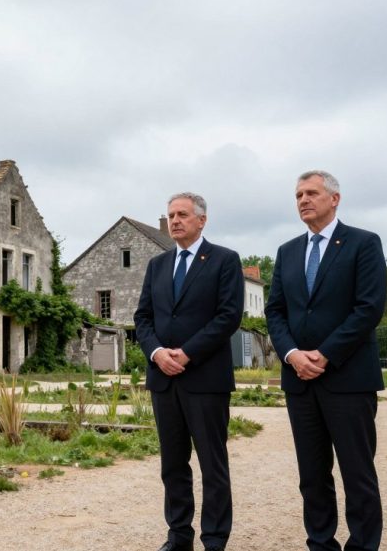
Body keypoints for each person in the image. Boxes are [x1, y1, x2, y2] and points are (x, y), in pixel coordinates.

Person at [264, 170, 387, 551]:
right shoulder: (287, 252)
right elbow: (275, 312)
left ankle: (363, 545)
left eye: (312, 193)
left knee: (357, 473)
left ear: (334, 198)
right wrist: (291, 354)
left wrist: (326, 353)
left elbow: (368, 308)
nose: (303, 200)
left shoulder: (363, 244)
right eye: (298, 194)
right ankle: (320, 542)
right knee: (312, 475)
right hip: (299, 381)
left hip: (349, 378)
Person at [134, 192, 244, 551]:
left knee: (213, 465)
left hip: (205, 379)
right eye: (170, 215)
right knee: (173, 465)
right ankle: (179, 535)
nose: (175, 221)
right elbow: (143, 318)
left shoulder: (225, 261)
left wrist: (187, 353)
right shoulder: (157, 265)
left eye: (182, 214)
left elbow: (228, 316)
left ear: (202, 220)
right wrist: (156, 353)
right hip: (164, 380)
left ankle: (214, 539)